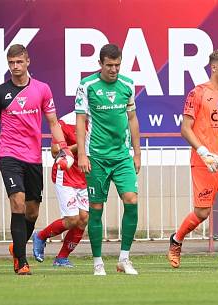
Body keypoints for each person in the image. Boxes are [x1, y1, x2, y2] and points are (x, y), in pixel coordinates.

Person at [0, 44, 67, 276]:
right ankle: (21, 261)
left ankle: (17, 246)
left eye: (19, 62)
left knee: (32, 212)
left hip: (33, 157)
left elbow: (53, 122)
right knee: (17, 202)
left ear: (28, 61)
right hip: (9, 155)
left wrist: (62, 149)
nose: (15, 67)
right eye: (11, 63)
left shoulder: (42, 89)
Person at [167, 49, 218, 270]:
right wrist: (203, 151)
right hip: (204, 161)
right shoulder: (198, 93)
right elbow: (185, 128)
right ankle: (177, 239)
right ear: (213, 67)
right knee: (202, 212)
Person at [75, 44, 142, 276]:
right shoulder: (87, 85)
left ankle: (124, 259)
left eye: (117, 65)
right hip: (97, 157)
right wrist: (82, 154)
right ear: (100, 64)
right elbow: (81, 120)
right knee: (96, 207)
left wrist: (137, 153)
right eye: (109, 65)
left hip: (122, 156)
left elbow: (132, 119)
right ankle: (97, 262)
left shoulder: (128, 85)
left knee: (131, 200)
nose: (113, 69)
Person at [30, 112, 88, 268]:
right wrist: (81, 144)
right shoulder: (66, 122)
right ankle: (40, 236)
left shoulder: (100, 119)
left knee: (83, 219)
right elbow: (55, 151)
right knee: (73, 219)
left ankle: (61, 258)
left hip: (86, 175)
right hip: (66, 175)